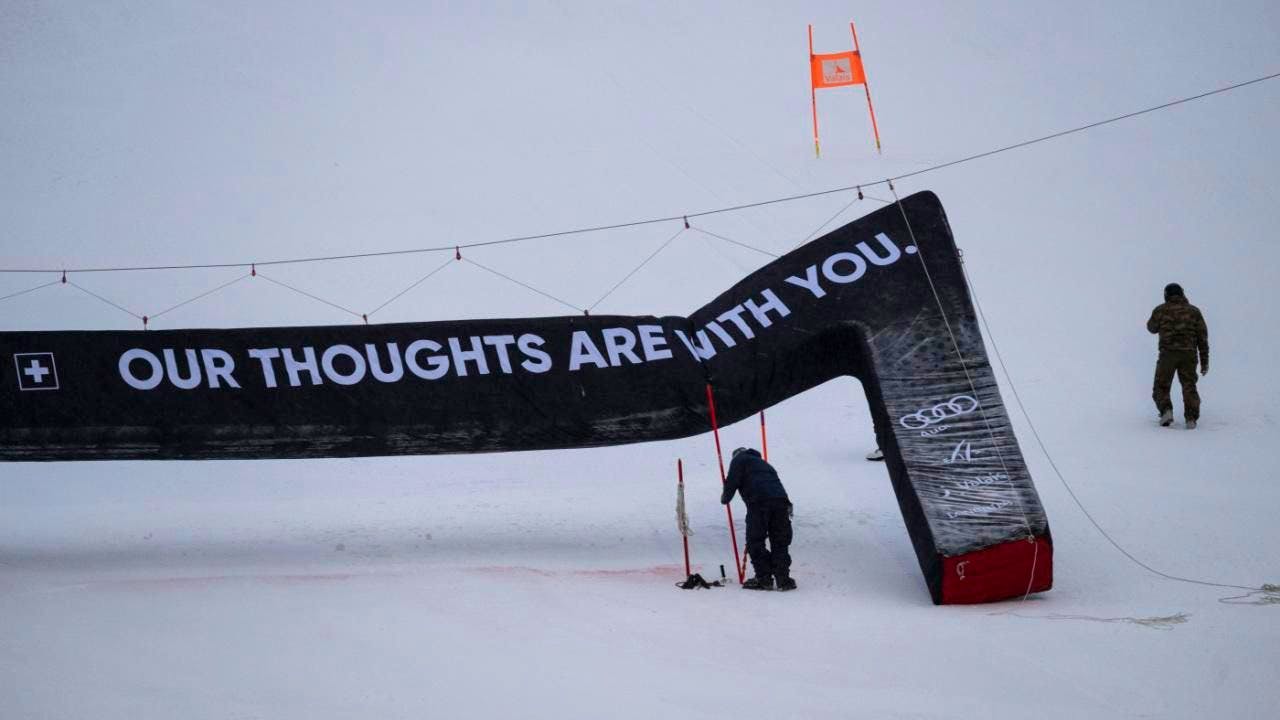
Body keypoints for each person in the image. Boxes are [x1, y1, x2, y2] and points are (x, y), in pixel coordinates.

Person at [722, 447, 795, 591]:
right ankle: (783, 579)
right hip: (781, 502)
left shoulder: (739, 460)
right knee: (780, 540)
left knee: (755, 540)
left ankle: (764, 578)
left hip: (759, 502)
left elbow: (732, 482)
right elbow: (777, 484)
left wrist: (725, 498)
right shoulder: (765, 464)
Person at [1146, 282, 1209, 429]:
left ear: (1166, 295)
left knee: (1161, 385)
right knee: (1189, 386)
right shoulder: (1194, 312)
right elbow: (1202, 338)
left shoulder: (1161, 310)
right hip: (1189, 355)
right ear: (1182, 294)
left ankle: (1166, 411)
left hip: (1168, 354)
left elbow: (1151, 328)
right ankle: (1191, 418)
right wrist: (1205, 361)